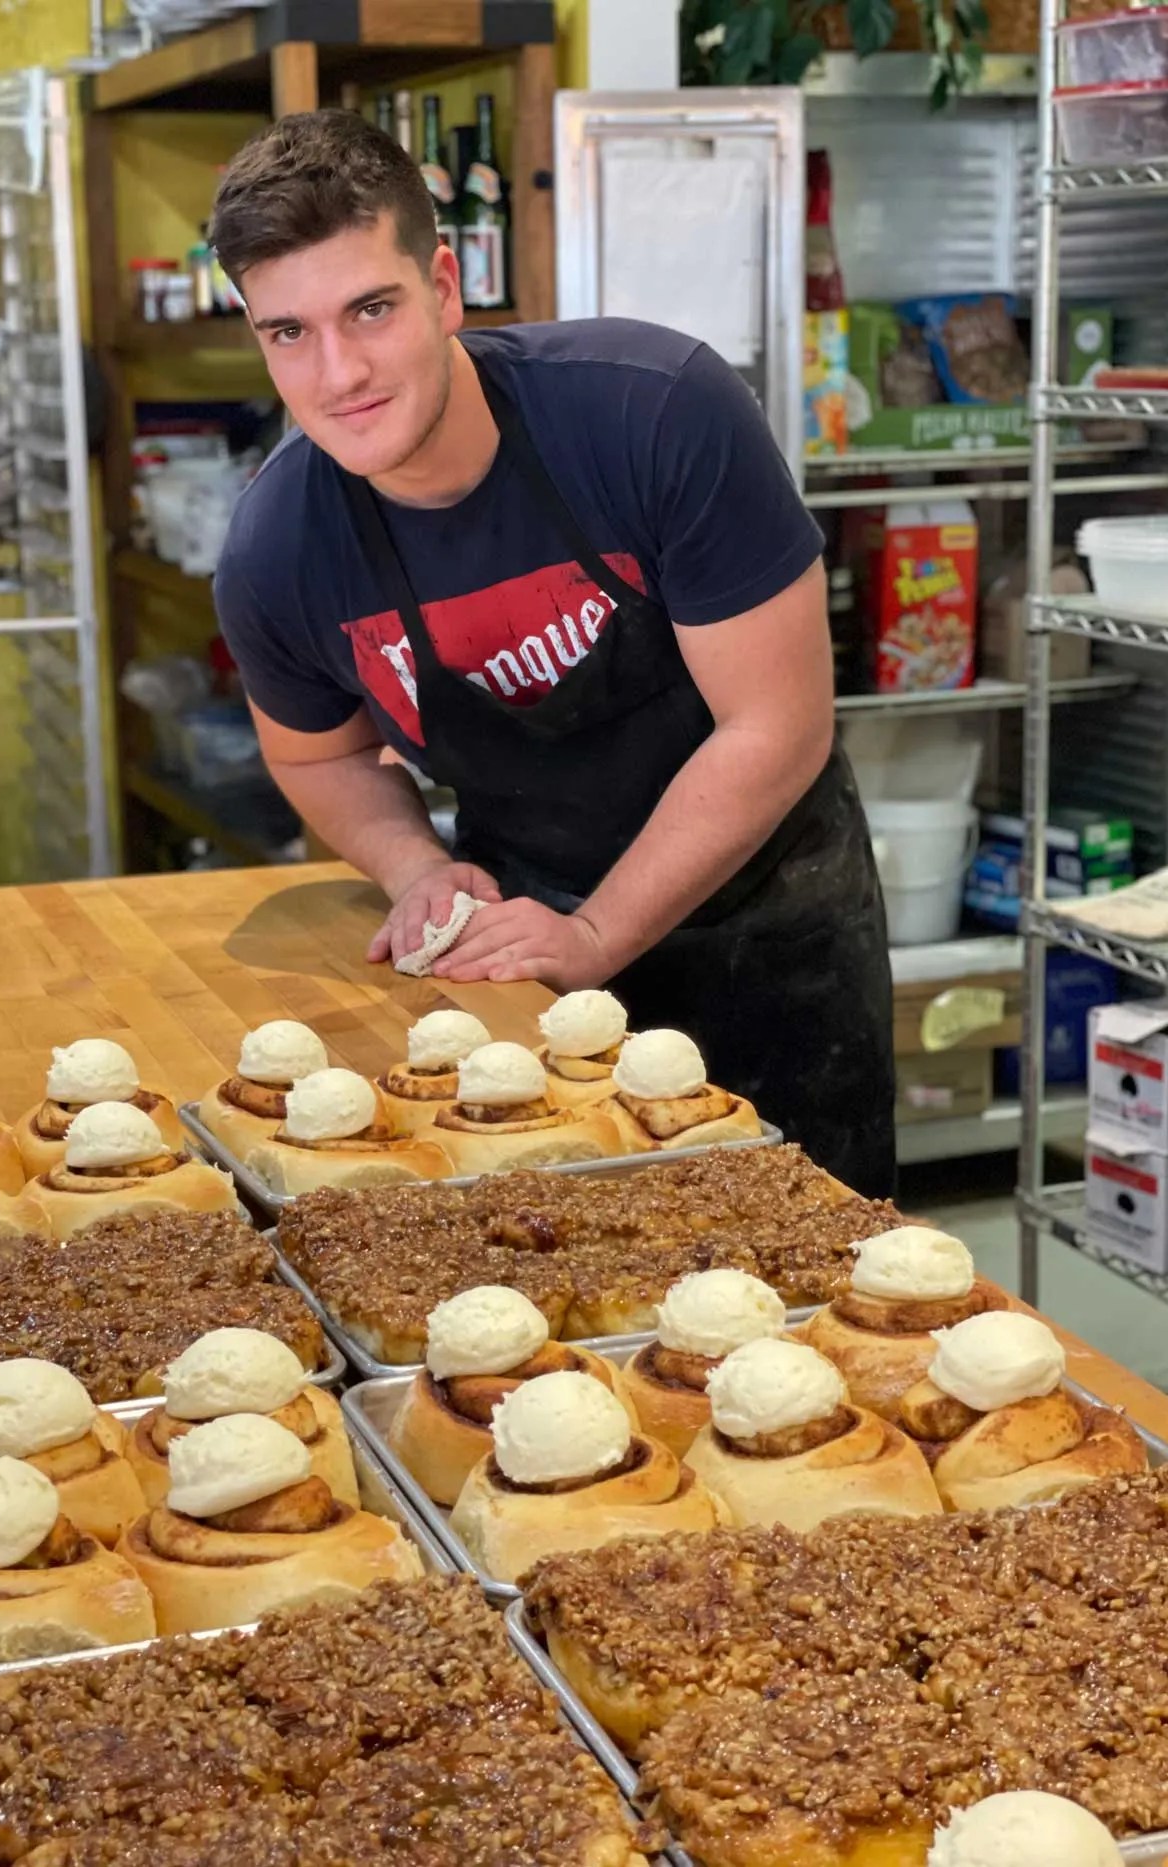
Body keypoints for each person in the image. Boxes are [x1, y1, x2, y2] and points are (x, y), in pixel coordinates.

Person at [208, 109, 895, 1195]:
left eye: (370, 309)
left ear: (443, 285)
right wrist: (418, 868)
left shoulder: (653, 414)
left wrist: (598, 933)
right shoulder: (278, 551)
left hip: (770, 936)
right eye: (287, 331)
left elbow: (777, 723)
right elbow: (316, 756)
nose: (336, 374)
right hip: (520, 948)